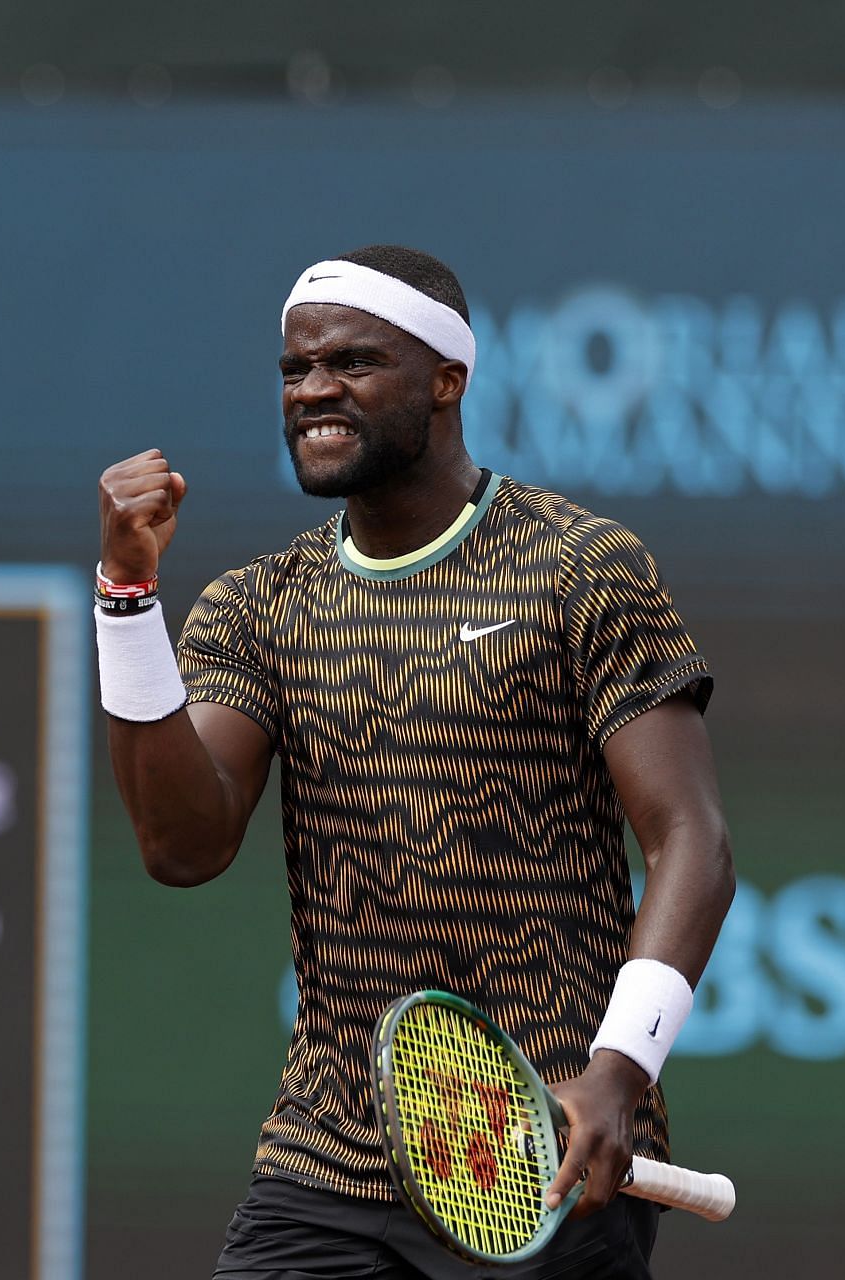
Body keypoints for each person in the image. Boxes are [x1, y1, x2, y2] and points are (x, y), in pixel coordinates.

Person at [94, 245, 734, 1279]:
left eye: (351, 363)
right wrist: (127, 600)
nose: (313, 392)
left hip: (545, 1156)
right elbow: (182, 843)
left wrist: (619, 1069)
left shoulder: (580, 567)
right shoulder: (258, 606)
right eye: (296, 371)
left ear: (449, 378)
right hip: (326, 1163)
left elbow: (692, 838)